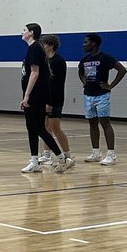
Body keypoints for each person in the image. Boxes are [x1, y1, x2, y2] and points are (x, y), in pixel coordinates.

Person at [19, 23, 67, 174]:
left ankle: (62, 159)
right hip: (33, 96)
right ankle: (34, 161)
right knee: (31, 128)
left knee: (39, 128)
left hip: (36, 96)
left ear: (31, 33)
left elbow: (35, 72)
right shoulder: (33, 48)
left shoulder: (35, 48)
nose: (22, 32)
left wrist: (26, 96)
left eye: (25, 30)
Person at [78, 33, 127, 165]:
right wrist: (84, 81)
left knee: (105, 123)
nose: (83, 44)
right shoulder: (84, 60)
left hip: (102, 95)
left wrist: (111, 85)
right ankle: (96, 152)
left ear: (93, 44)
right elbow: (80, 72)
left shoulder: (105, 57)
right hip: (88, 95)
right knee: (92, 124)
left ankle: (111, 154)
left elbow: (122, 70)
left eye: (86, 42)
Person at [40, 34, 73, 168]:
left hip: (55, 99)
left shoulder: (58, 61)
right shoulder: (43, 60)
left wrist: (50, 102)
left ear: (51, 46)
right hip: (44, 98)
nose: (42, 47)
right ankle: (47, 155)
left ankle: (68, 155)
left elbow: (57, 84)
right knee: (46, 128)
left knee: (55, 127)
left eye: (44, 44)